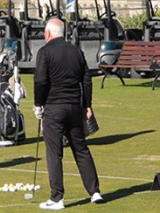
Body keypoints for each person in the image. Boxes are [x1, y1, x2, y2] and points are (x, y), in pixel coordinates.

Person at [33, 18, 103, 210]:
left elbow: (40, 81)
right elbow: (86, 80)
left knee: (54, 153)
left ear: (48, 34)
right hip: (74, 107)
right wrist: (87, 105)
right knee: (81, 149)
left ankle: (57, 198)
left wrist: (38, 104)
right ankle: (95, 191)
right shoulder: (77, 51)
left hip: (54, 108)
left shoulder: (44, 52)